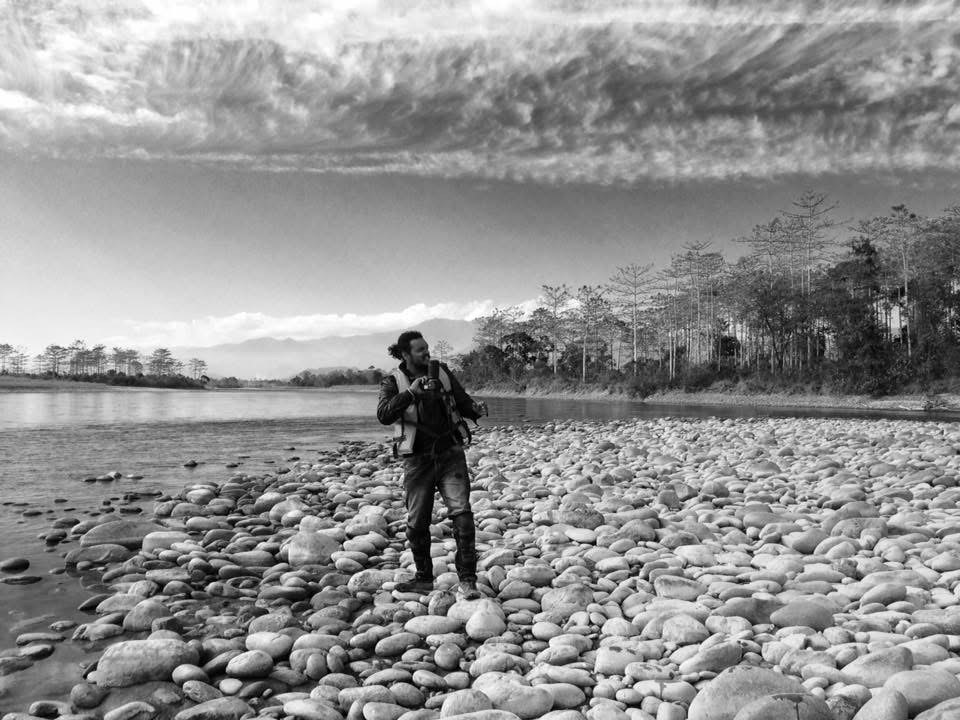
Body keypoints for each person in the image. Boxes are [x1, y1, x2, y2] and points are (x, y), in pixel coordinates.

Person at [377, 330, 488, 599]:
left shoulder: (443, 372)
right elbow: (383, 414)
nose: (427, 353)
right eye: (420, 350)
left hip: (451, 453)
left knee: (463, 515)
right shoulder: (392, 381)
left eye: (427, 348)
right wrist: (410, 394)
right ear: (406, 354)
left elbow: (462, 402)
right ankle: (424, 579)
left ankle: (468, 581)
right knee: (417, 522)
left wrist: (475, 409)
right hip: (417, 459)